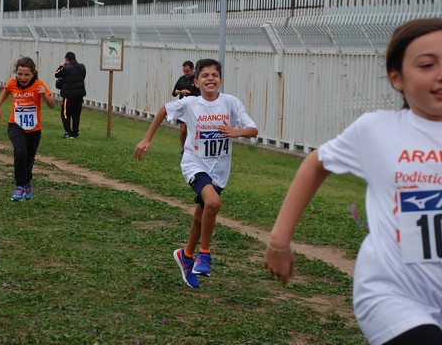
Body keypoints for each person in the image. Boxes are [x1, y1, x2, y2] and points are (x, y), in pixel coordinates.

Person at [264, 18, 442, 345]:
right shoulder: (377, 130)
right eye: (427, 65)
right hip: (393, 296)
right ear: (397, 78)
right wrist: (279, 240)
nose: (440, 74)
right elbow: (317, 163)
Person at [135, 58, 258, 288]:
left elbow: (253, 129)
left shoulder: (231, 103)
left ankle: (186, 256)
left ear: (220, 80)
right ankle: (205, 253)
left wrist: (236, 132)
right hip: (194, 163)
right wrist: (147, 138)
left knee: (201, 215)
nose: (210, 78)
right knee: (213, 202)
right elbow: (164, 109)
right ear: (197, 81)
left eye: (214, 75)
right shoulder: (190, 103)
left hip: (220, 170)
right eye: (205, 76)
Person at [0, 56, 56, 202]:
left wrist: (44, 95)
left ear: (33, 73)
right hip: (15, 125)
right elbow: (6, 90)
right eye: (20, 74)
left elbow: (53, 105)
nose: (23, 77)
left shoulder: (39, 85)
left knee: (29, 158)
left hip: (34, 129)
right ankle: (19, 186)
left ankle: (27, 182)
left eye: (27, 75)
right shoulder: (12, 83)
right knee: (20, 152)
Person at [54, 51, 86, 139]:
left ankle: (68, 132)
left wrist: (61, 65)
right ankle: (75, 133)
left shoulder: (67, 68)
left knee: (65, 114)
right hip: (79, 95)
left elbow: (56, 74)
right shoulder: (82, 67)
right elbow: (83, 77)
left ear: (67, 59)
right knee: (76, 114)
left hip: (68, 95)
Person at [172, 60, 200, 155]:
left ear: (192, 69)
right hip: (183, 108)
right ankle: (183, 150)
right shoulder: (181, 79)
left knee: (194, 131)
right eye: (184, 71)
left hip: (195, 109)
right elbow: (174, 92)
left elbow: (201, 94)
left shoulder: (198, 79)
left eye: (187, 71)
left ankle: (195, 149)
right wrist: (180, 92)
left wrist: (190, 93)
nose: (185, 73)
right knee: (183, 130)